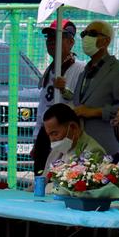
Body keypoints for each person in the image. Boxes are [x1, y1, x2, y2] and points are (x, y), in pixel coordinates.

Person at [31, 20, 85, 174]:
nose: (51, 42)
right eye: (49, 38)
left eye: (57, 38)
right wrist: (37, 136)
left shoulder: (80, 69)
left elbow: (80, 103)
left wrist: (64, 90)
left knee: (60, 175)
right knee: (40, 174)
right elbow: (43, 104)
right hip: (45, 129)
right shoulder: (51, 69)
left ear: (71, 42)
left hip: (64, 131)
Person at [72, 21, 119, 152]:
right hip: (82, 148)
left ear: (106, 41)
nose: (86, 38)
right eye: (84, 34)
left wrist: (94, 112)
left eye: (93, 34)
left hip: (106, 146)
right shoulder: (84, 72)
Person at [42, 102, 106, 168]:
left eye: (55, 133)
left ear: (73, 127)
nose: (52, 139)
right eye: (49, 135)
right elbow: (45, 177)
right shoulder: (57, 150)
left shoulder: (94, 151)